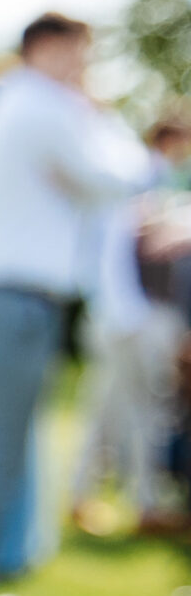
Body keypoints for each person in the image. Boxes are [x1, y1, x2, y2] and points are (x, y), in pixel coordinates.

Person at [0, 14, 155, 596]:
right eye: (82, 56)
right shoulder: (48, 109)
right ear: (51, 51)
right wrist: (100, 116)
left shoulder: (2, 108)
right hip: (17, 306)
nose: (87, 70)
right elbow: (122, 178)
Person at [68, 116, 191, 535]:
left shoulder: (131, 185)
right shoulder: (143, 181)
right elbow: (140, 246)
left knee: (105, 409)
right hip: (130, 317)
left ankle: (79, 495)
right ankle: (147, 505)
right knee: (146, 413)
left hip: (110, 316)